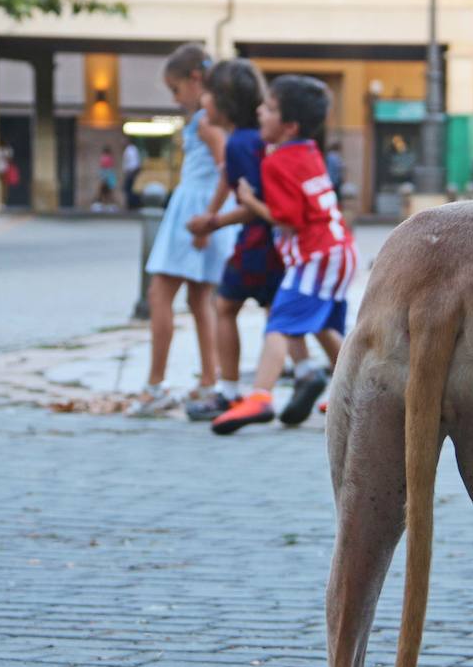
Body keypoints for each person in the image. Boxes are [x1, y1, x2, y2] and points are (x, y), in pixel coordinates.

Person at [211, 75, 356, 434]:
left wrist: (249, 201)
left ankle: (260, 396)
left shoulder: (276, 163)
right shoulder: (309, 151)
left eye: (270, 109)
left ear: (288, 126)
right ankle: (357, 391)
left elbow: (287, 218)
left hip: (314, 254)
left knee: (279, 323)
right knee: (320, 325)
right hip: (339, 250)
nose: (260, 111)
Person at [129, 44, 240, 417]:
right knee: (198, 300)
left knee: (160, 295)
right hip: (199, 210)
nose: (176, 100)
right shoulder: (208, 118)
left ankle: (155, 384)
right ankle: (208, 379)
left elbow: (228, 165)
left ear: (195, 79)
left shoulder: (205, 121)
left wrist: (208, 218)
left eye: (176, 90)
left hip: (194, 212)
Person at [180, 59, 291, 421]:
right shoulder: (247, 141)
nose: (202, 100)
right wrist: (211, 215)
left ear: (224, 102)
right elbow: (229, 181)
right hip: (271, 242)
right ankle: (302, 375)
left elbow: (253, 203)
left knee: (225, 306)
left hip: (256, 241)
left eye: (208, 94)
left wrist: (213, 223)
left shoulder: (240, 143)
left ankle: (229, 391)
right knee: (277, 312)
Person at [122, 139, 142, 209]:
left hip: (131, 172)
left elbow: (133, 163)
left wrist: (130, 172)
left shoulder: (131, 149)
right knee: (128, 189)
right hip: (131, 172)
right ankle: (132, 204)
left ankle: (132, 205)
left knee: (129, 189)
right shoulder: (131, 149)